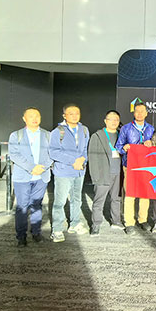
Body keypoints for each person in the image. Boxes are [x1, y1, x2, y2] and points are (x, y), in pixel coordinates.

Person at [8, 107, 53, 247]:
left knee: (37, 205)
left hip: (41, 177)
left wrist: (42, 167)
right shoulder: (16, 135)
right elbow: (14, 154)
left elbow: (52, 153)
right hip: (22, 177)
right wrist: (31, 167)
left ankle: (36, 233)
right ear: (24, 119)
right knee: (22, 206)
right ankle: (21, 236)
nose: (35, 119)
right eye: (31, 116)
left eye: (37, 116)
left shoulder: (48, 135)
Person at [49, 104, 90, 243]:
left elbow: (85, 149)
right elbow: (53, 152)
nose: (74, 116)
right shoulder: (58, 132)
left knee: (76, 199)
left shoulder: (84, 130)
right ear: (64, 116)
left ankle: (74, 224)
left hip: (79, 171)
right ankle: (57, 229)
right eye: (70, 113)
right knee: (60, 202)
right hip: (63, 172)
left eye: (77, 113)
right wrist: (73, 161)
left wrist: (83, 160)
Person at [115, 102, 154, 235]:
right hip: (129, 166)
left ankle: (143, 219)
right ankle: (129, 222)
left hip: (146, 167)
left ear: (146, 113)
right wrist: (124, 148)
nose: (139, 114)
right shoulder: (126, 128)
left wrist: (152, 143)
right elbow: (118, 146)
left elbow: (155, 148)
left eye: (142, 111)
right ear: (133, 113)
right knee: (130, 194)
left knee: (145, 194)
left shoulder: (150, 128)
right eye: (137, 111)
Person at [88, 110, 123, 237]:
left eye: (116, 120)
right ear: (105, 121)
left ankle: (116, 221)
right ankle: (96, 225)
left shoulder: (121, 135)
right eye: (111, 119)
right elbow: (92, 158)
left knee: (116, 199)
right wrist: (95, 176)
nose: (114, 122)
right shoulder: (97, 136)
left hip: (118, 174)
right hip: (103, 174)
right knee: (99, 201)